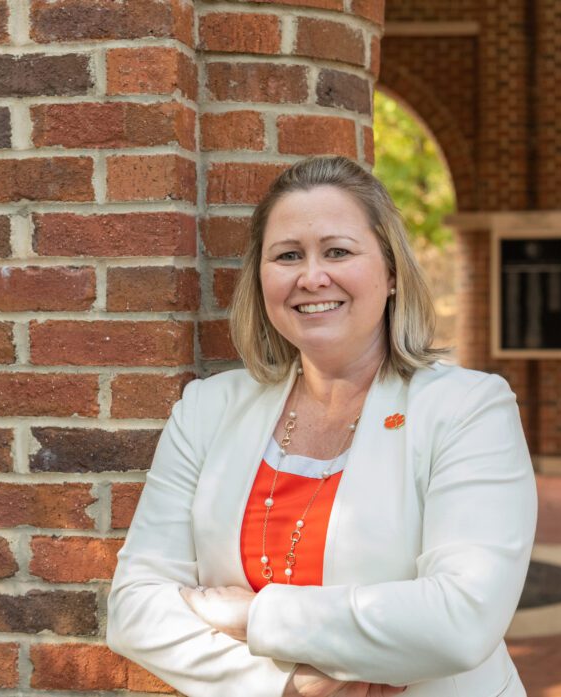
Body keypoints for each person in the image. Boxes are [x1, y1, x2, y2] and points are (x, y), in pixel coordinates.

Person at [107, 156, 537, 697]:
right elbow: (134, 607)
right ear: (262, 280)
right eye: (288, 256)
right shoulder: (206, 410)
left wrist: (255, 617)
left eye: (337, 251)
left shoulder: (469, 408)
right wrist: (284, 686)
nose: (312, 277)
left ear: (391, 274)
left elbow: (462, 619)